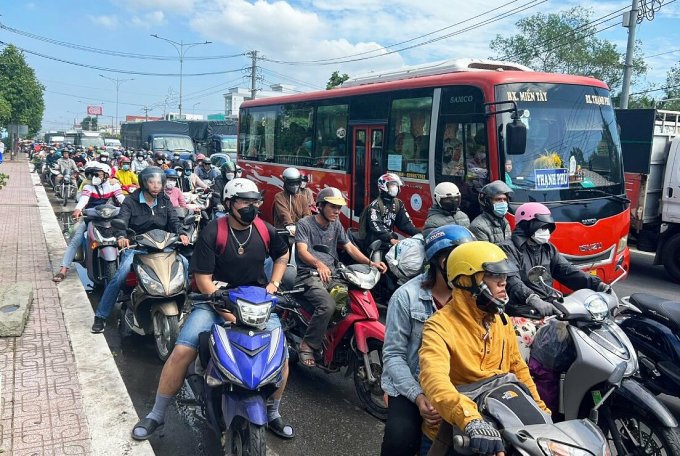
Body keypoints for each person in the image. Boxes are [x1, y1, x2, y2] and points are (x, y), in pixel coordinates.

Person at [132, 178, 296, 441]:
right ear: (229, 204)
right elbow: (203, 280)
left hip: (256, 304)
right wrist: (227, 311)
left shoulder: (265, 229)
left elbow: (282, 254)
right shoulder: (213, 232)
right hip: (213, 301)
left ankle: (273, 411)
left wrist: (274, 283)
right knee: (183, 350)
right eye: (244, 201)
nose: (250, 207)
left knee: (281, 356)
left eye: (255, 202)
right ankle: (156, 414)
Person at [418, 241, 551, 455]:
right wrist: (470, 420)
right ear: (466, 280)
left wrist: (542, 411)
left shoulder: (502, 321)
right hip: (455, 433)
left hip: (503, 424)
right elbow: (434, 378)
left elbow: (518, 369)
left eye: (504, 277)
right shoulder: (439, 325)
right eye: (493, 276)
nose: (503, 283)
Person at [381, 225, 475, 456]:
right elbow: (393, 355)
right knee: (401, 440)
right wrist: (419, 396)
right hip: (412, 384)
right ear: (442, 262)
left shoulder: (473, 297)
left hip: (458, 385)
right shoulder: (406, 297)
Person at [294, 187, 387, 367]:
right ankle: (308, 344)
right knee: (327, 305)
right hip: (308, 274)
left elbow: (349, 247)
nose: (337, 211)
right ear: (320, 206)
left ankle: (333, 337)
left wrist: (371, 263)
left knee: (351, 300)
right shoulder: (305, 224)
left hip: (332, 273)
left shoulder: (336, 225)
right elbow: (302, 251)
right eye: (333, 207)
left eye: (339, 208)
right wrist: (318, 264)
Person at [91, 167, 190, 333]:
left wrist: (181, 233)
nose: (156, 186)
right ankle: (101, 316)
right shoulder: (131, 201)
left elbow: (174, 221)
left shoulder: (164, 201)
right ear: (144, 183)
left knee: (185, 264)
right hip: (138, 248)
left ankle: (184, 303)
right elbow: (121, 220)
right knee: (119, 276)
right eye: (152, 182)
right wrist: (122, 236)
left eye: (159, 182)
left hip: (163, 247)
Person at [500, 202, 609, 318]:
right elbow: (512, 280)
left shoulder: (547, 248)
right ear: (526, 225)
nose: (546, 231)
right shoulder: (508, 248)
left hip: (550, 305)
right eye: (542, 227)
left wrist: (598, 285)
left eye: (548, 227)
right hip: (523, 310)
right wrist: (532, 298)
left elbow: (566, 270)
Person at [52, 163, 125, 283]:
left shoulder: (113, 185)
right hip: (91, 217)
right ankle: (63, 269)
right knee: (76, 238)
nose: (94, 177)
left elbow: (122, 199)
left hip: (109, 217)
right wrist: (78, 209)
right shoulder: (88, 187)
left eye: (98, 174)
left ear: (106, 174)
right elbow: (83, 199)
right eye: (92, 174)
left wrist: (130, 207)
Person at [357, 173, 420, 252]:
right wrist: (390, 238)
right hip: (375, 242)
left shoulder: (398, 204)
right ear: (383, 186)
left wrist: (419, 233)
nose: (395, 188)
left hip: (390, 240)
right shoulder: (375, 206)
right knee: (377, 262)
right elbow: (376, 225)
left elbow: (405, 224)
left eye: (397, 185)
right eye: (392, 185)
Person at [469, 180, 513, 245]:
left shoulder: (504, 222)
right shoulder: (478, 226)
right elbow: (485, 252)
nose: (503, 202)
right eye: (498, 199)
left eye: (505, 199)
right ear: (487, 203)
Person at [272, 167, 311, 234]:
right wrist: (289, 225)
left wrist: (305, 226)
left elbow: (307, 214)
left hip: (300, 232)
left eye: (297, 183)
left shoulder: (303, 197)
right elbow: (284, 214)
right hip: (283, 231)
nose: (295, 186)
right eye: (292, 183)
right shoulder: (279, 196)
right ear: (286, 183)